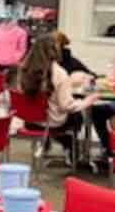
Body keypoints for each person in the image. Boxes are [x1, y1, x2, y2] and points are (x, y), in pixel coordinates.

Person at [17, 34, 97, 163]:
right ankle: (72, 150)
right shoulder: (58, 72)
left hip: (30, 122)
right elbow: (67, 106)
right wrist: (88, 101)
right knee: (76, 118)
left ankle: (56, 146)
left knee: (59, 115)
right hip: (52, 121)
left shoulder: (23, 70)